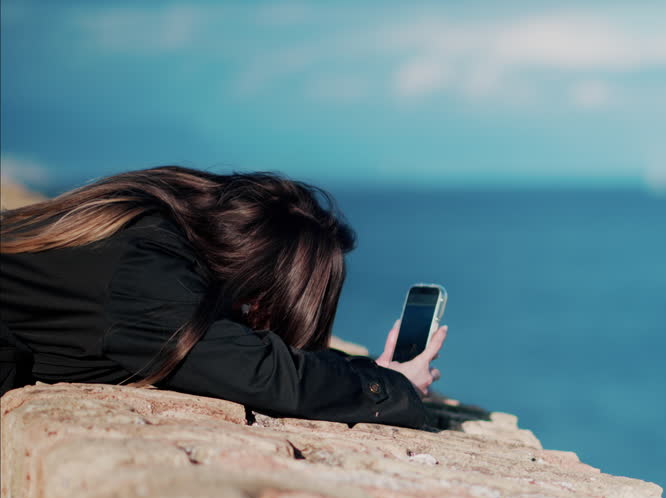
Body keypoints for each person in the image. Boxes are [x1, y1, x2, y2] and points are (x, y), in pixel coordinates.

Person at [0, 166, 445, 429]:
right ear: (264, 293)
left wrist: (365, 371)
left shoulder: (148, 227)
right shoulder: (146, 274)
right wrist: (390, 389)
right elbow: (258, 373)